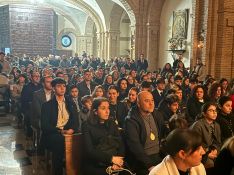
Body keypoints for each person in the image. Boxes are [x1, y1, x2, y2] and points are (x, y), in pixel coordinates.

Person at [41, 78, 78, 175]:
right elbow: (44, 126)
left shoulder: (71, 103)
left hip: (68, 132)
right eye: (59, 86)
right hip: (54, 133)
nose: (62, 88)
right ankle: (58, 171)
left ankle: (74, 169)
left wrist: (72, 129)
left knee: (81, 140)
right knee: (59, 142)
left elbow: (76, 121)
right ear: (53, 88)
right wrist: (61, 131)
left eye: (64, 86)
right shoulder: (47, 105)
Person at [124, 91, 167, 175]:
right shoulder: (131, 120)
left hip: (159, 155)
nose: (151, 104)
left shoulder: (157, 114)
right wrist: (149, 165)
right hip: (142, 160)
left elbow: (165, 133)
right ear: (139, 103)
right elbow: (135, 146)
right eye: (147, 101)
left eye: (152, 100)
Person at [82, 97, 125, 175]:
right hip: (96, 164)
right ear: (95, 111)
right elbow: (90, 151)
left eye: (108, 108)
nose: (107, 111)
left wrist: (118, 161)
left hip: (115, 162)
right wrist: (111, 159)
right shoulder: (86, 125)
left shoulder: (112, 122)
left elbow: (121, 143)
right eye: (103, 108)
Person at [190, 102, 221, 168]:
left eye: (215, 110)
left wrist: (215, 150)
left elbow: (218, 142)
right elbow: (194, 145)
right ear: (204, 113)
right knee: (210, 164)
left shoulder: (217, 125)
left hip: (211, 151)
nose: (214, 112)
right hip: (200, 153)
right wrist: (207, 155)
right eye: (211, 110)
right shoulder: (198, 125)